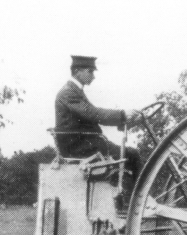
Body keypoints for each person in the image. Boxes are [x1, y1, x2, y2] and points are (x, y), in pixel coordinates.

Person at [53, 55, 142, 196]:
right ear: (77, 71)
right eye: (90, 71)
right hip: (81, 146)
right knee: (132, 155)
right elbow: (93, 114)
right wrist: (122, 115)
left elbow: (91, 116)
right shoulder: (68, 93)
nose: (93, 76)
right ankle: (138, 201)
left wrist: (122, 121)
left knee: (129, 155)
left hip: (87, 143)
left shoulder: (74, 91)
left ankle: (131, 198)